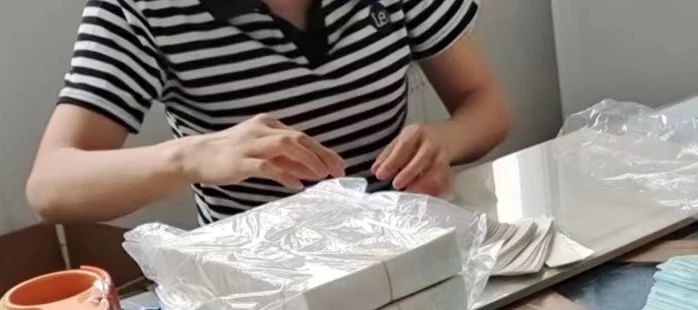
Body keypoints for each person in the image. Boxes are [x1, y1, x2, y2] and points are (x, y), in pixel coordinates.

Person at [26, 0, 512, 224]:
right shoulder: (141, 8)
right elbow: (50, 184)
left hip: (406, 246)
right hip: (267, 291)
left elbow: (487, 105)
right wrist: (194, 156)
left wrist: (444, 142)